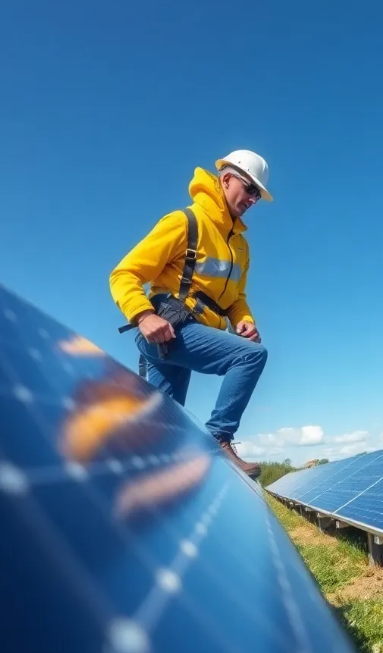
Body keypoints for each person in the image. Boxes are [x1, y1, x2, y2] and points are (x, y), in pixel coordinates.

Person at [108, 150, 272, 479]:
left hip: (186, 337)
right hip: (166, 326)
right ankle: (218, 438)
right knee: (250, 357)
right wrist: (142, 316)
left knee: (164, 432)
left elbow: (236, 299)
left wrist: (245, 320)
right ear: (226, 179)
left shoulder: (241, 247)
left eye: (258, 194)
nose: (253, 199)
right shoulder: (185, 222)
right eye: (250, 188)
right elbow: (123, 274)